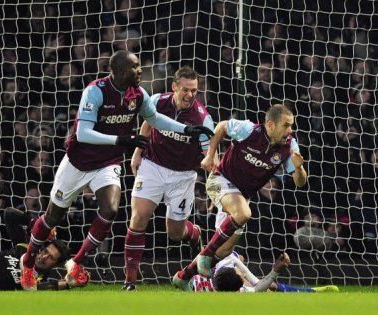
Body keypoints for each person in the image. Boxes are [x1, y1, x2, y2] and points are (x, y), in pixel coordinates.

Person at [20, 50, 214, 291]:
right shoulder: (95, 91)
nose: (140, 71)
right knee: (52, 217)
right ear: (121, 71)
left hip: (107, 163)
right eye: (135, 67)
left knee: (110, 209)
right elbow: (83, 134)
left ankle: (78, 261)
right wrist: (122, 140)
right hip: (78, 161)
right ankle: (27, 262)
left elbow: (154, 119)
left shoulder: (139, 94)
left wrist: (186, 130)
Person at [173, 104, 307, 287]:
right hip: (220, 180)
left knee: (224, 251)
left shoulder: (290, 145)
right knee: (244, 214)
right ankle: (205, 254)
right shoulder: (249, 130)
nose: (289, 130)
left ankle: (183, 276)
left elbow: (300, 182)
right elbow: (221, 126)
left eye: (291, 125)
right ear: (270, 125)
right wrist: (210, 155)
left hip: (241, 195)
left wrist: (298, 167)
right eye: (285, 125)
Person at [122, 66, 214, 290]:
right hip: (152, 166)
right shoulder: (157, 100)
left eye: (194, 91)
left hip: (183, 176)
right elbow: (148, 121)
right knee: (138, 218)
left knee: (174, 233)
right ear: (174, 87)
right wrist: (137, 152)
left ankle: (194, 233)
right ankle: (130, 281)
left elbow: (210, 157)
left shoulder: (203, 119)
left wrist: (214, 187)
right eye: (186, 90)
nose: (190, 95)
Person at [177, 252, 338, 293]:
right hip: (223, 275)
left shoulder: (225, 262)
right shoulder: (236, 290)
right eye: (241, 276)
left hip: (221, 262)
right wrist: (275, 271)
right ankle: (311, 291)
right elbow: (257, 287)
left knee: (269, 286)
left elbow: (254, 282)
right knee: (270, 287)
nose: (242, 274)